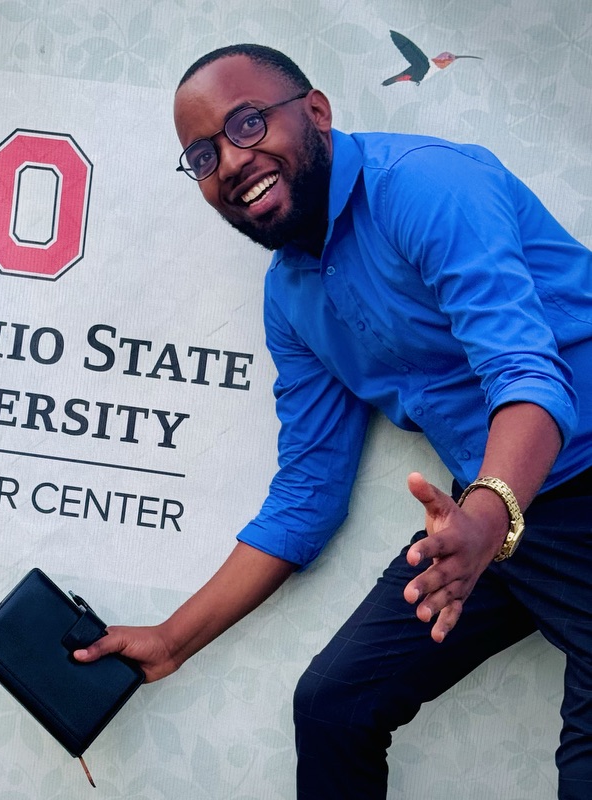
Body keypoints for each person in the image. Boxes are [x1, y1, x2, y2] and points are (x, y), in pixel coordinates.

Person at [75, 43, 592, 798]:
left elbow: (528, 374)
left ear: (315, 111)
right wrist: (171, 639)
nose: (230, 161)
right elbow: (307, 494)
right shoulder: (290, 297)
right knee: (332, 708)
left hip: (526, 493)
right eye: (203, 154)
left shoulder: (425, 185)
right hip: (489, 514)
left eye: (247, 124)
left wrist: (487, 518)